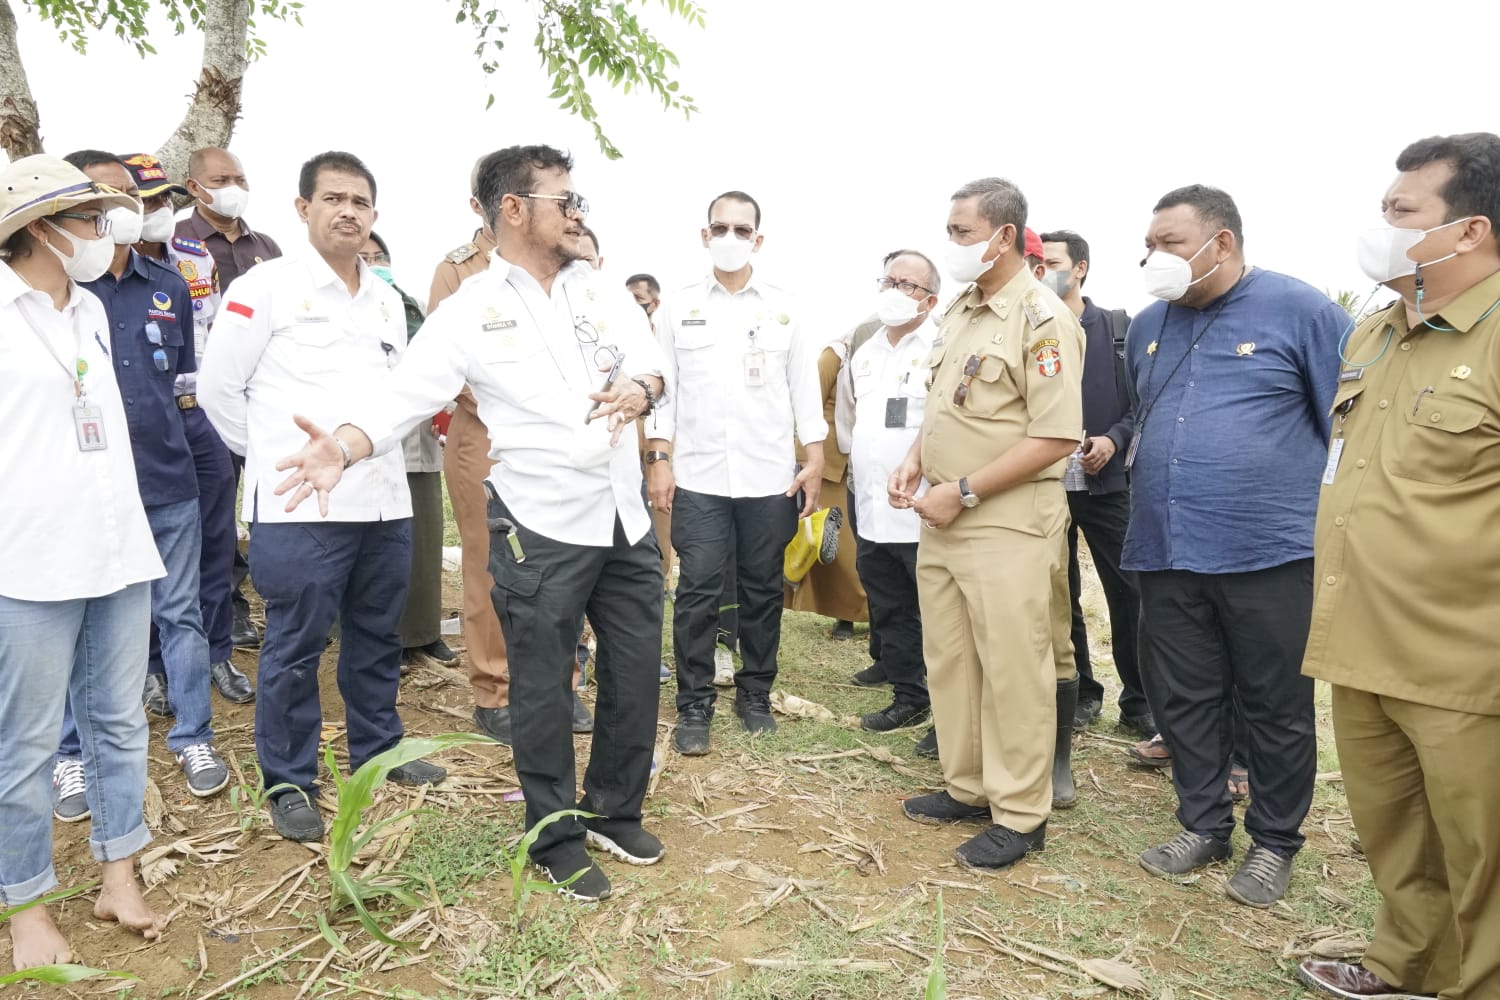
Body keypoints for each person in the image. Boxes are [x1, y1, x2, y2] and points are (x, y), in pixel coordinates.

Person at [273, 143, 668, 903]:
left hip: (623, 516)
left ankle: (615, 811)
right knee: (541, 685)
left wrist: (642, 391)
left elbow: (654, 364)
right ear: (514, 209)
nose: (577, 212)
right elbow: (401, 397)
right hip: (542, 523)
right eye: (564, 200)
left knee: (631, 667)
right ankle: (553, 835)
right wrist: (343, 447)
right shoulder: (470, 310)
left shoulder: (601, 288)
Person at [1297, 132, 1500, 1000]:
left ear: (1469, 230)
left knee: (1485, 851)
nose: (1380, 228)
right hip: (1360, 638)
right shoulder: (1375, 333)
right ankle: (1409, 964)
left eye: (1402, 211)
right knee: (1394, 830)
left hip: (1465, 658)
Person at [199, 151, 447, 843]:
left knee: (376, 635)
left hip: (382, 499)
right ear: (303, 208)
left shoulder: (386, 298)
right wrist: (274, 456)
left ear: (374, 216)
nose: (348, 211)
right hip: (300, 505)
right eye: (333, 198)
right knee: (295, 644)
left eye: (360, 202)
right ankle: (288, 779)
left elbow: (399, 395)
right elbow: (219, 392)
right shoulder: (265, 287)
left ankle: (379, 749)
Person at [1124, 185, 1345, 908]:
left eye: (1170, 243)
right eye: (1149, 245)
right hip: (1165, 547)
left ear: (1222, 243)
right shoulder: (1148, 324)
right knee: (1186, 698)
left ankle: (1274, 843)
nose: (1154, 257)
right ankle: (1203, 824)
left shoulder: (1302, 310)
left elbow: (1344, 429)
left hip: (1269, 552)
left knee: (1275, 705)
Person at [0, 154, 166, 970]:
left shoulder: (93, 309)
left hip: (116, 547)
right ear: (40, 229)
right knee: (27, 743)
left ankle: (117, 875)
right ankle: (26, 903)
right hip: (29, 560)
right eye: (92, 220)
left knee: (118, 722)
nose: (107, 232)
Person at [889, 177, 1083, 871]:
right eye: (950, 231)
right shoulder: (961, 309)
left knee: (1011, 667)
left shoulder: (1041, 316)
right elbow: (947, 400)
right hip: (943, 515)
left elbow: (1057, 437)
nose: (952, 244)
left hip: (1005, 522)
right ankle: (969, 786)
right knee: (952, 658)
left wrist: (965, 490)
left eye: (962, 232)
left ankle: (1021, 814)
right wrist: (916, 459)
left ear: (1004, 237)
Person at [51, 149, 229, 809]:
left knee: (180, 613)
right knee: (79, 620)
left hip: (164, 477)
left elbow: (180, 385)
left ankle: (193, 737)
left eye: (129, 195)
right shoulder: (53, 295)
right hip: (85, 489)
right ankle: (71, 756)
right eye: (101, 197)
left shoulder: (170, 286)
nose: (120, 208)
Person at [647, 190, 827, 756]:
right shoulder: (677, 307)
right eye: (720, 228)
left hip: (768, 477)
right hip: (698, 476)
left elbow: (804, 391)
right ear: (705, 236)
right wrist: (659, 460)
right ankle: (694, 701)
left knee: (762, 590)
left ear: (758, 239)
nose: (731, 238)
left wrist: (815, 458)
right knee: (697, 589)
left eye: (742, 229)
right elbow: (664, 393)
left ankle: (755, 693)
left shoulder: (785, 308)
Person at [429, 154, 591, 740]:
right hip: (485, 438)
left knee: (561, 563)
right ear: (490, 204)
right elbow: (448, 369)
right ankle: (495, 691)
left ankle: (562, 684)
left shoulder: (565, 266)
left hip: (558, 443)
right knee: (490, 566)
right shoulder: (458, 271)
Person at [125, 152, 254, 708]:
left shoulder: (194, 257)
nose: (156, 209)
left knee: (215, 538)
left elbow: (217, 333)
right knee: (153, 543)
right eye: (144, 200)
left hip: (200, 415)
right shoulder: (105, 269)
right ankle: (153, 664)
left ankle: (216, 651)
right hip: (145, 421)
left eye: (162, 199)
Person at [1038, 230, 1152, 737]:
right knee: (1060, 593)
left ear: (1080, 268)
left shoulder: (1117, 330)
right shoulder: (1033, 329)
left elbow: (1140, 404)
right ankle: (1081, 692)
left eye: (1053, 262)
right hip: (1046, 485)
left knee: (1129, 594)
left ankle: (1140, 701)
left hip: (1106, 485)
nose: (1042, 272)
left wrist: (1113, 438)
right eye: (1038, 264)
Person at [177, 146, 284, 650]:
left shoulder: (265, 246)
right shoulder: (180, 242)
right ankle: (226, 607)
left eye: (239, 178)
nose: (233, 187)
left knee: (260, 500)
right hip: (204, 396)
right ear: (194, 187)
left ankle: (266, 597)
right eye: (221, 179)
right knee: (212, 513)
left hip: (262, 396)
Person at [835, 250, 939, 748]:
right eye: (889, 281)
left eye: (908, 285)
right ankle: (908, 694)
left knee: (937, 614)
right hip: (873, 505)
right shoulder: (866, 350)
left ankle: (949, 710)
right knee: (890, 606)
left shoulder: (941, 346)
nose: (895, 291)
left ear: (930, 300)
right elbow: (852, 420)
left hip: (924, 508)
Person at [359, 231, 458, 672]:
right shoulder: (333, 311)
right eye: (364, 256)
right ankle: (377, 638)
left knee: (423, 541)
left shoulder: (412, 306)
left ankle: (423, 632)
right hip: (362, 442)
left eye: (379, 255)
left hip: (414, 442)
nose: (373, 263)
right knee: (372, 545)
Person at [783, 314, 869, 636]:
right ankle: (847, 615)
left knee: (863, 543)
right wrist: (809, 459)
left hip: (865, 460)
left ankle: (868, 609)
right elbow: (808, 403)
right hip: (829, 462)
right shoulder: (835, 355)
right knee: (837, 545)